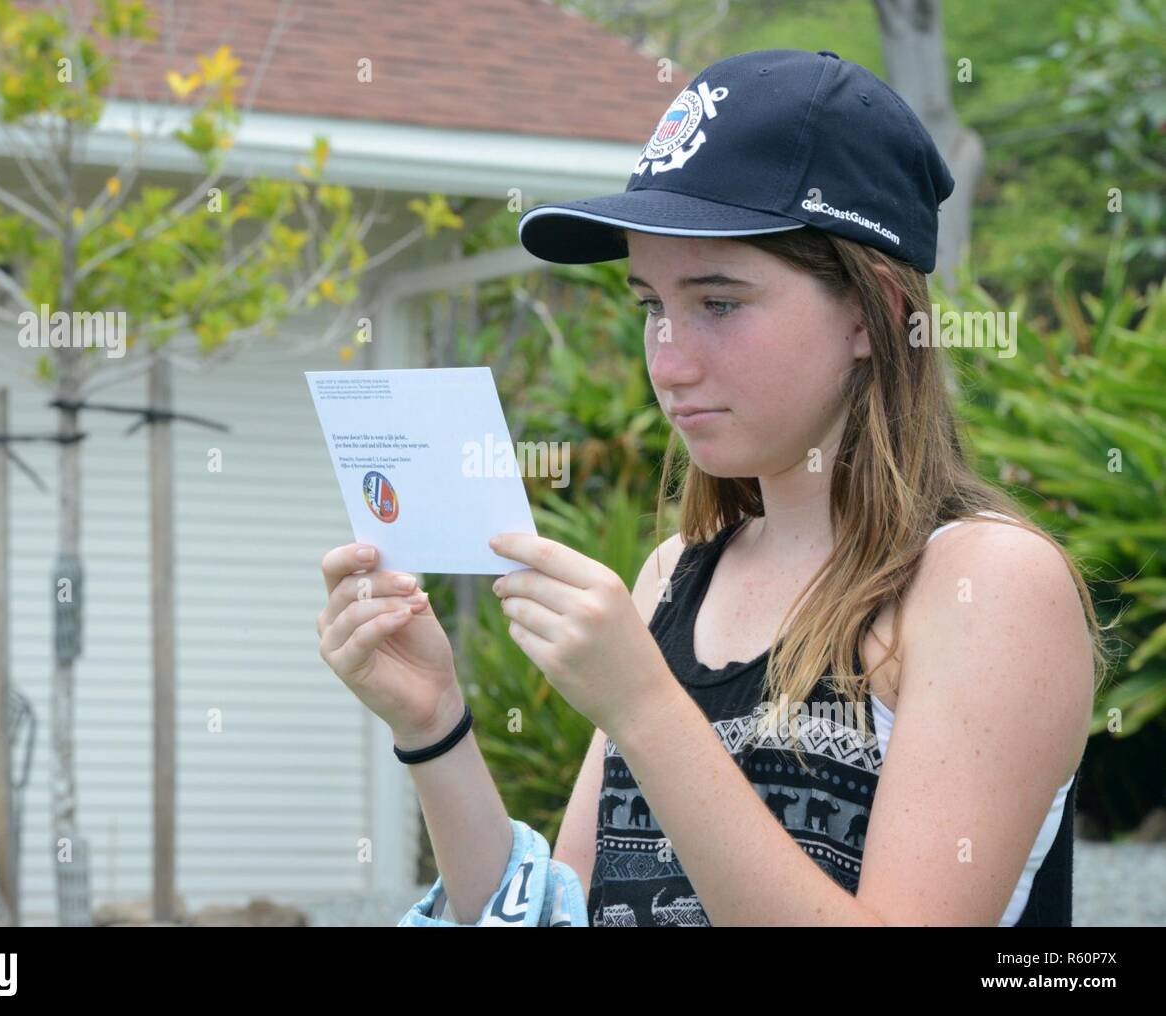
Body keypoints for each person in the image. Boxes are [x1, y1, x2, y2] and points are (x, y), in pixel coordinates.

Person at [315, 49, 1108, 927]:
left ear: (871, 311)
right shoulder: (671, 578)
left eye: (719, 302)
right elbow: (560, 917)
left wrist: (647, 710)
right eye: (651, 305)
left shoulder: (986, 586)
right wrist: (435, 726)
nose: (670, 359)